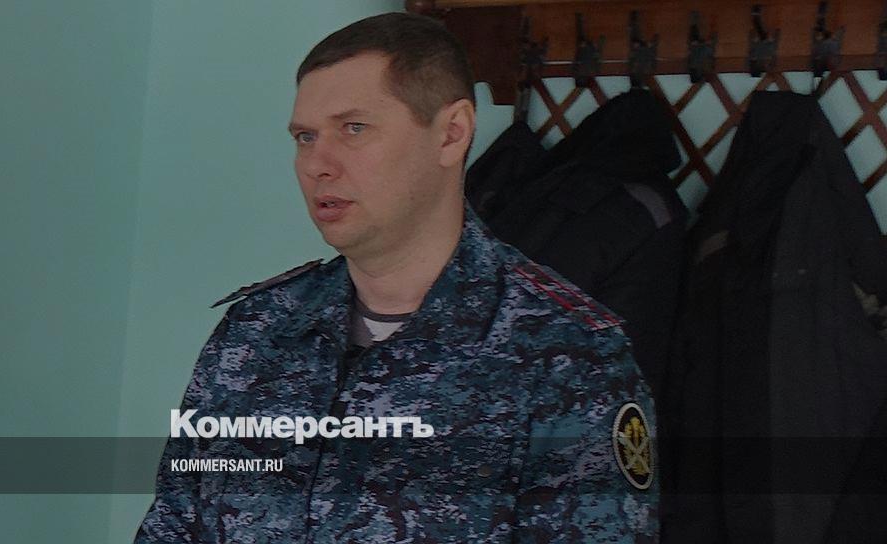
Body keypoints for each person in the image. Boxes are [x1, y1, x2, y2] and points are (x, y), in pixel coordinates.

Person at [134, 11, 658, 543]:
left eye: (353, 128)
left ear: (451, 133)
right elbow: (173, 523)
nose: (317, 164)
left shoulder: (567, 357)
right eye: (305, 136)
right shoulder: (253, 333)